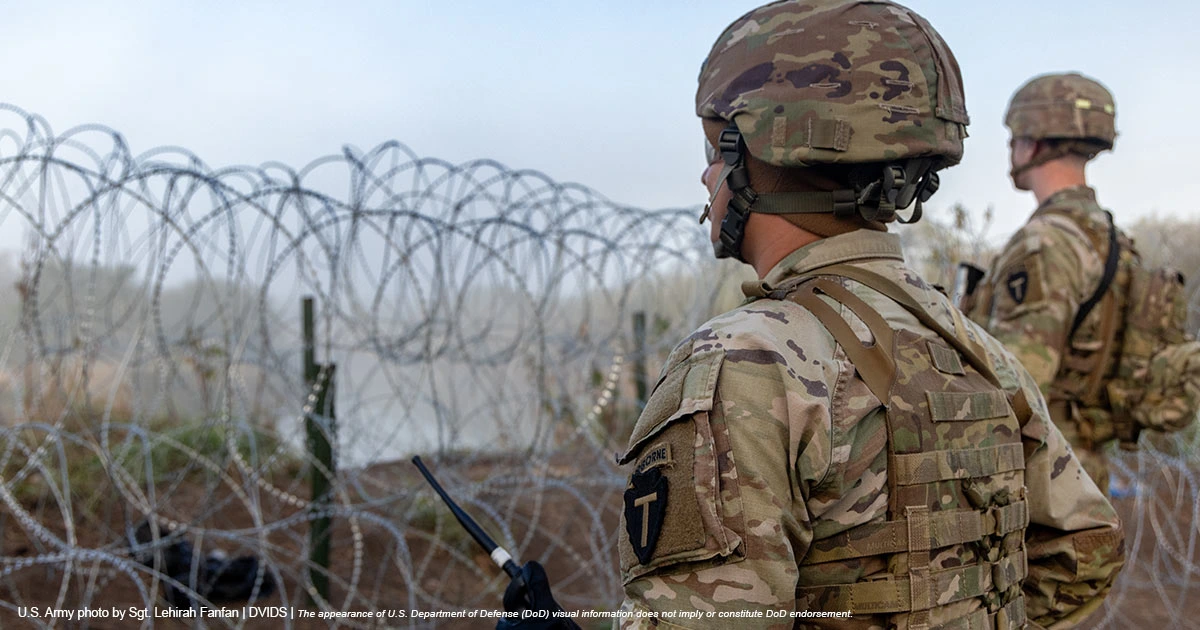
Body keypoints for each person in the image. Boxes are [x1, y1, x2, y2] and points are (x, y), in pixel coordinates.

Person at [615, 2, 1124, 629]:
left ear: (762, 156)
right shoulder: (970, 343)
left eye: (716, 150)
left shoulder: (743, 361)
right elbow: (1086, 545)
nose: (706, 174)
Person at [966, 72, 1197, 495]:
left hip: (1037, 479)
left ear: (1031, 142)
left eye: (1014, 138)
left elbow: (1017, 383)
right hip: (1081, 471)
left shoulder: (1044, 243)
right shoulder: (1110, 238)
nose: (1011, 150)